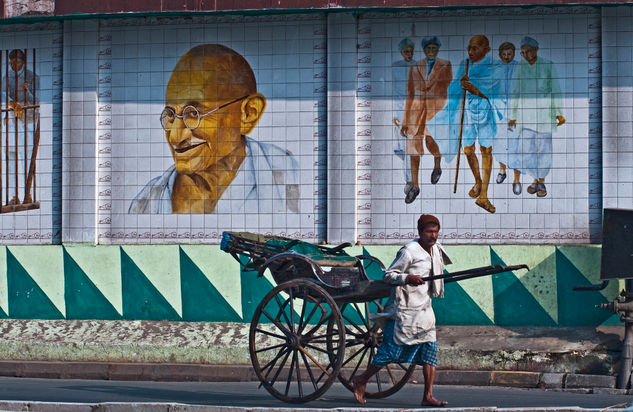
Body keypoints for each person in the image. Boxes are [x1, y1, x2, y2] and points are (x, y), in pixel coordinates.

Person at [129, 44, 300, 214]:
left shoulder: (289, 175)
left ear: (248, 113)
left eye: (194, 114)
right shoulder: (147, 203)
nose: (175, 137)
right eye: (171, 115)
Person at [352, 214, 451, 407]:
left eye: (436, 232)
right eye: (429, 232)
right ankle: (361, 379)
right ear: (420, 232)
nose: (433, 236)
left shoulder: (436, 250)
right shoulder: (409, 251)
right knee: (389, 352)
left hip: (424, 310)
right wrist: (407, 278)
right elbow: (389, 276)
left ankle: (428, 396)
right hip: (404, 310)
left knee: (431, 352)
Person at [435, 35, 503, 213]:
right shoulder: (465, 64)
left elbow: (495, 88)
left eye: (475, 48)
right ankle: (478, 181)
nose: (471, 52)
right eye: (469, 48)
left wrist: (474, 88)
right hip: (468, 112)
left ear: (486, 50)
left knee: (486, 150)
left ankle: (484, 196)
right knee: (467, 149)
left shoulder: (494, 65)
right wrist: (460, 84)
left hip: (486, 112)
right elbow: (453, 89)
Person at [508, 37, 565, 198]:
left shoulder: (548, 65)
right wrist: (513, 115)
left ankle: (541, 181)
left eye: (529, 51)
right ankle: (534, 179)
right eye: (523, 52)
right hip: (525, 117)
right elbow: (515, 91)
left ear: (537, 49)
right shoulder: (520, 67)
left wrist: (558, 113)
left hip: (545, 116)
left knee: (543, 151)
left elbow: (556, 90)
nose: (526, 55)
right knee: (526, 151)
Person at [401, 37, 452, 203]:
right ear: (424, 50)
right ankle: (415, 186)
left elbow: (448, 86)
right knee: (413, 149)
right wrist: (404, 120)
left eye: (434, 48)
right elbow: (409, 93)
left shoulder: (445, 65)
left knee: (432, 143)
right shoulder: (415, 67)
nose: (431, 50)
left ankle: (437, 165)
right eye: (428, 48)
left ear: (437, 49)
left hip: (435, 111)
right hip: (416, 112)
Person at [2, 49, 39, 205]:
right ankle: (13, 195)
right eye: (11, 62)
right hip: (11, 121)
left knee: (26, 156)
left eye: (16, 62)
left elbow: (37, 101)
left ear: (23, 62)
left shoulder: (32, 77)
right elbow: (3, 95)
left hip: (27, 121)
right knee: (11, 157)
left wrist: (27, 91)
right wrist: (10, 103)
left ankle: (28, 193)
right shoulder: (6, 78)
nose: (12, 65)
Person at [493, 42, 522, 195]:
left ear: (514, 53)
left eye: (509, 54)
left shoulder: (519, 67)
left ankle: (516, 180)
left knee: (515, 147)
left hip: (514, 112)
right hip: (498, 111)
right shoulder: (494, 68)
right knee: (499, 144)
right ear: (499, 55)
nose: (506, 57)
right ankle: (502, 170)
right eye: (503, 54)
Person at [392, 38, 416, 196]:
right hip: (400, 108)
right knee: (401, 147)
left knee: (409, 147)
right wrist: (395, 114)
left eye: (410, 51)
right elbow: (392, 90)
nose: (408, 54)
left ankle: (410, 181)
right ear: (401, 52)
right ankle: (408, 178)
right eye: (406, 51)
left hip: (413, 109)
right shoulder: (396, 67)